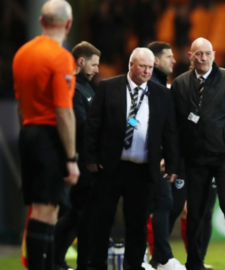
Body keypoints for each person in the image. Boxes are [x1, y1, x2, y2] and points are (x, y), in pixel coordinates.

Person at [84, 47, 179, 270]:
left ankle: (133, 266)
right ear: (131, 65)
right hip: (109, 167)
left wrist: (173, 163)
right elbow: (92, 125)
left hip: (143, 170)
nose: (147, 71)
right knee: (101, 219)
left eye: (149, 67)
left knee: (137, 224)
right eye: (142, 66)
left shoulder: (161, 93)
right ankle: (96, 265)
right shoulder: (108, 87)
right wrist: (89, 157)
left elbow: (170, 132)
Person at [13, 1, 79, 269]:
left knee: (46, 208)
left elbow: (20, 106)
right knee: (45, 207)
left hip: (28, 131)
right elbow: (64, 112)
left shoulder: (22, 54)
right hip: (49, 135)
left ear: (41, 21)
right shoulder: (61, 57)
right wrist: (71, 158)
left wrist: (29, 134)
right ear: (68, 24)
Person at [170, 37, 225, 270]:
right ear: (190, 56)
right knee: (195, 213)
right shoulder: (180, 83)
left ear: (214, 54)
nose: (203, 58)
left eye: (207, 53)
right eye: (198, 54)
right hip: (195, 158)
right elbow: (175, 123)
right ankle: (194, 262)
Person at [54, 41, 100, 270]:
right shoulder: (75, 89)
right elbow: (82, 126)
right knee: (81, 214)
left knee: (77, 215)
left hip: (86, 159)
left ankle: (55, 259)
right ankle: (82, 263)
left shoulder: (87, 88)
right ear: (81, 62)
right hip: (80, 161)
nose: (97, 69)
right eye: (94, 64)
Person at [146, 40, 186, 270]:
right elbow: (149, 125)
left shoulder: (160, 84)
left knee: (161, 204)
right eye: (169, 56)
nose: (174, 60)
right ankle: (162, 258)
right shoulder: (153, 86)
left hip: (157, 158)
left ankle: (153, 257)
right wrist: (159, 154)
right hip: (152, 159)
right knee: (162, 203)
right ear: (156, 60)